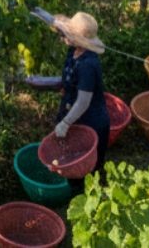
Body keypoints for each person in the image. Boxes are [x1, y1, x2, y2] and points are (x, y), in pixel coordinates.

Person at [25, 11, 110, 195]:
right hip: (71, 112)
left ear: (79, 39)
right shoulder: (75, 49)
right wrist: (36, 10)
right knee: (70, 158)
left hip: (90, 120)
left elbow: (83, 101)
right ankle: (74, 191)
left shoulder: (88, 64)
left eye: (68, 34)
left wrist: (65, 123)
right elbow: (58, 26)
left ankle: (88, 198)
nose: (63, 36)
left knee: (88, 167)